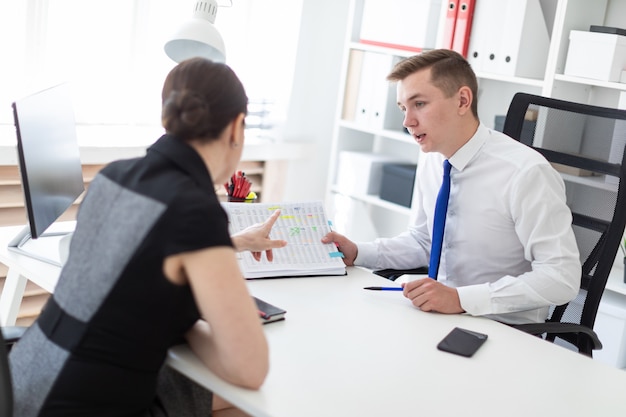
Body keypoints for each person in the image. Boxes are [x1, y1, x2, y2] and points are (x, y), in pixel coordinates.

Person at [9, 57, 287, 416]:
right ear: (236, 128)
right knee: (253, 404)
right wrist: (184, 320)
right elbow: (250, 368)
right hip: (85, 403)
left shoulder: (114, 176)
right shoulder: (195, 210)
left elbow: (144, 253)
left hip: (25, 379)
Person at [322, 49, 581, 325]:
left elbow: (561, 277)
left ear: (462, 100)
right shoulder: (433, 159)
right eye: (403, 108)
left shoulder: (525, 173)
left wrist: (461, 299)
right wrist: (359, 252)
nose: (407, 121)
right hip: (438, 316)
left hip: (503, 328)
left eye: (419, 104)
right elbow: (425, 241)